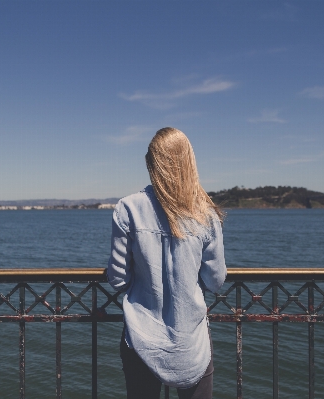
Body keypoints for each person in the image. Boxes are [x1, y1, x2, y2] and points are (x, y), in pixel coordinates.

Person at [107, 127, 226, 399]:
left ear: (152, 164)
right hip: (191, 344)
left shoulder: (128, 208)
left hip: (140, 340)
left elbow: (118, 280)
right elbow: (215, 281)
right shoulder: (205, 214)